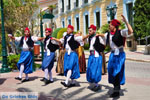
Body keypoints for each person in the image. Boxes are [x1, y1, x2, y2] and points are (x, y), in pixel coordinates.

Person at [97, 15, 133, 97]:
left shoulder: (121, 32)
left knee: (117, 71)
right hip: (112, 54)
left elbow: (131, 31)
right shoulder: (108, 34)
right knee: (111, 71)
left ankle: (116, 90)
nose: (109, 26)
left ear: (114, 26)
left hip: (120, 55)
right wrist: (99, 35)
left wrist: (126, 22)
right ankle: (116, 87)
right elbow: (104, 35)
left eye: (110, 25)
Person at [85, 25, 105, 92]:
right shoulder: (90, 38)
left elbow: (104, 40)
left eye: (90, 31)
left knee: (95, 71)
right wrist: (86, 36)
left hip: (96, 55)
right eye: (89, 31)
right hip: (91, 55)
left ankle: (97, 85)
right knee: (90, 70)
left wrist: (100, 35)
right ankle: (94, 84)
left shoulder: (98, 37)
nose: (89, 32)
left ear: (94, 30)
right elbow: (84, 42)